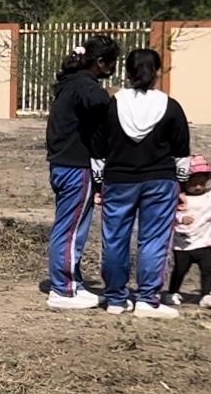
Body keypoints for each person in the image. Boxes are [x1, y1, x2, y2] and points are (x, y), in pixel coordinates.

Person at [100, 47, 190, 318]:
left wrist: (97, 181)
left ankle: (115, 299)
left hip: (118, 179)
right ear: (157, 72)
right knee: (153, 240)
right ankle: (147, 300)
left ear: (127, 72)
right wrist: (182, 185)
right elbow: (182, 153)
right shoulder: (170, 106)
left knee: (115, 239)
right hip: (160, 180)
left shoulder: (113, 104)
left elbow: (98, 145)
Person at [44, 35, 120, 310]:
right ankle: (62, 289)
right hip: (76, 166)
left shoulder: (69, 85)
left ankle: (73, 283)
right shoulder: (88, 89)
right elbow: (104, 115)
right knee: (70, 229)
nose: (113, 67)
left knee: (74, 226)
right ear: (100, 62)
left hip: (63, 164)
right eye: (112, 62)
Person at [166, 156, 211, 308]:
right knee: (180, 269)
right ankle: (172, 292)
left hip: (204, 242)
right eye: (194, 183)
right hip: (182, 244)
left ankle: (206, 294)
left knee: (208, 269)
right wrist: (181, 218)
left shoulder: (209, 197)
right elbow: (169, 214)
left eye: (202, 182)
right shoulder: (179, 198)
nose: (198, 187)